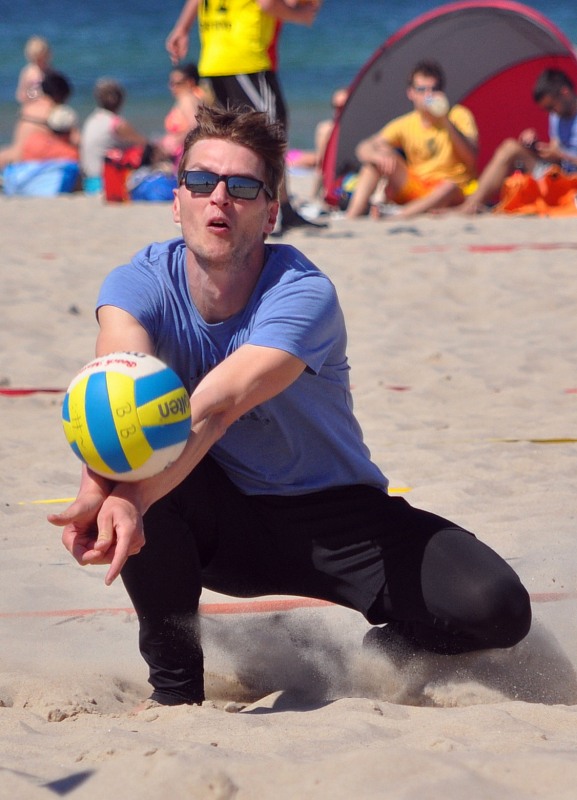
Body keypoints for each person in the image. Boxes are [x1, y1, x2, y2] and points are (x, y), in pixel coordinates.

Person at [49, 105, 531, 707]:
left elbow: (216, 408)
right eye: (201, 181)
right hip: (216, 517)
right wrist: (99, 488)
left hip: (335, 517)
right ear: (177, 202)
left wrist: (130, 496)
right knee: (136, 473)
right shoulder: (140, 282)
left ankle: (389, 652)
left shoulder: (303, 293)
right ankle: (176, 695)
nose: (219, 198)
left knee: (498, 608)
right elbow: (112, 394)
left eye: (242, 187)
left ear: (272, 212)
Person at [165, 0, 327, 234]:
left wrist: (182, 28)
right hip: (244, 57)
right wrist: (299, 14)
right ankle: (270, 210)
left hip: (215, 59)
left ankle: (275, 207)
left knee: (238, 138)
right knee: (269, 135)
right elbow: (267, 3)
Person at [346, 60, 478, 220]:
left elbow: (471, 159)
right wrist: (378, 157)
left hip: (454, 189)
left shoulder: (458, 115)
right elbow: (364, 147)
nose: (428, 95)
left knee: (448, 186)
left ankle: (396, 218)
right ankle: (353, 215)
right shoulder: (406, 123)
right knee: (376, 160)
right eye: (421, 90)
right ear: (411, 93)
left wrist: (445, 120)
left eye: (434, 89)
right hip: (419, 186)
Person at [459, 68, 577, 214]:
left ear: (565, 92)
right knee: (510, 148)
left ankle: (469, 207)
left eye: (551, 106)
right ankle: (471, 204)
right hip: (558, 177)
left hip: (573, 183)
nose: (551, 112)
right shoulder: (556, 117)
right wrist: (535, 146)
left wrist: (561, 155)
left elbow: (560, 155)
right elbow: (555, 155)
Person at [80, 78, 150, 194]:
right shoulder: (116, 123)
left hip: (89, 182)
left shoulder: (92, 119)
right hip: (106, 183)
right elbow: (144, 143)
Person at [0, 71, 75, 169]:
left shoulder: (27, 108)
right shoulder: (55, 111)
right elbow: (75, 139)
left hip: (12, 159)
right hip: (29, 162)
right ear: (59, 95)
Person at [161, 62, 206, 165]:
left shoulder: (187, 99)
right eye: (171, 83)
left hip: (183, 154)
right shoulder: (187, 99)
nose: (172, 87)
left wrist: (176, 141)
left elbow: (195, 127)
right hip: (180, 153)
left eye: (178, 83)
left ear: (189, 82)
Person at [15, 35, 52, 105]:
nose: (41, 62)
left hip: (47, 105)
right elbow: (20, 94)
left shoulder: (50, 71)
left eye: (43, 58)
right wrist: (32, 96)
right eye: (37, 60)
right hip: (32, 103)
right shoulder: (28, 72)